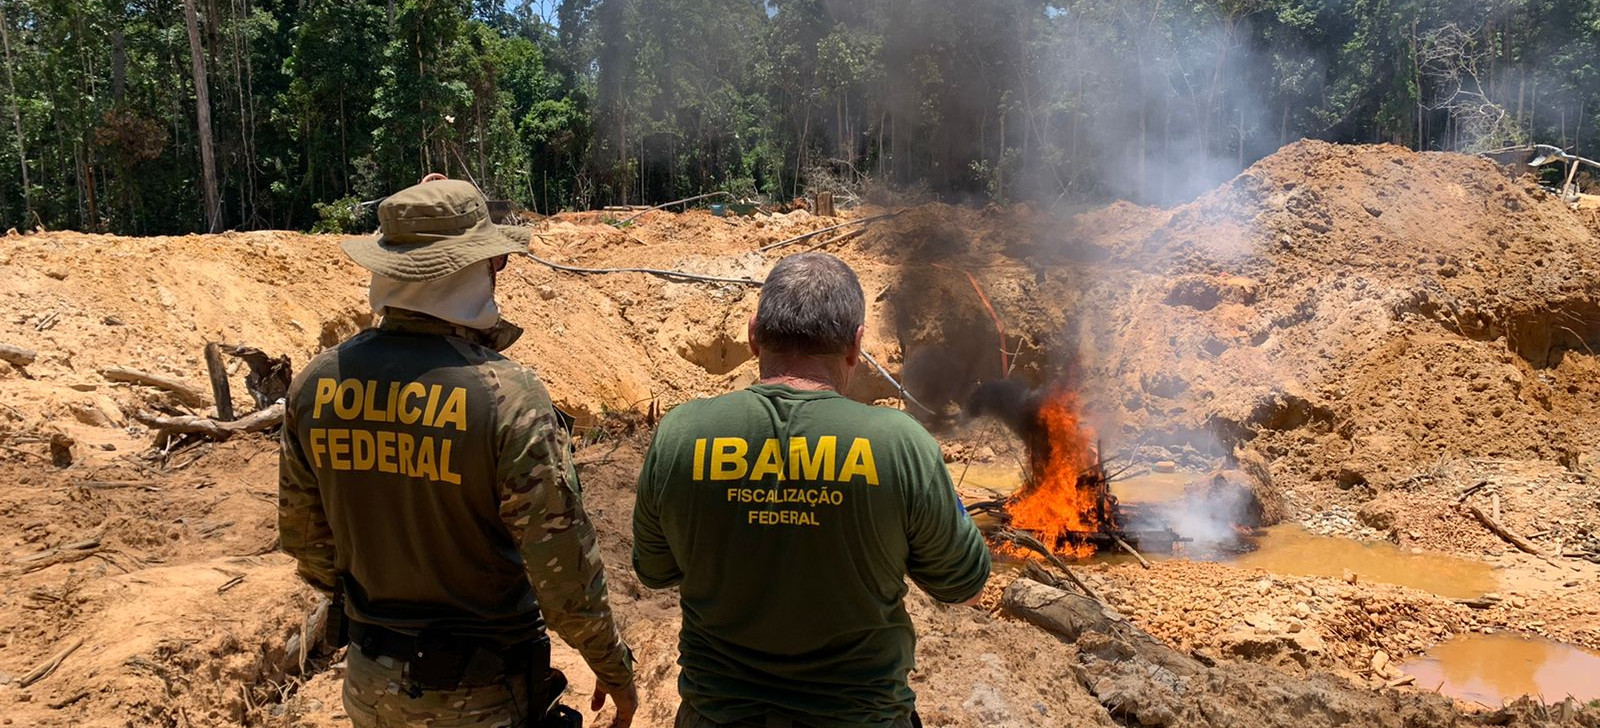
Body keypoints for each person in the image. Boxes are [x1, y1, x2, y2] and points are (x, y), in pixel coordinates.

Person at [279, 176, 639, 727]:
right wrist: (613, 668)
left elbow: (306, 542)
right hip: (481, 696)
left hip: (370, 684)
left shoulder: (316, 384)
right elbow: (563, 575)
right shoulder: (506, 396)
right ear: (473, 268)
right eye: (493, 263)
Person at [632, 252, 992, 728]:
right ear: (855, 345)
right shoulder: (899, 445)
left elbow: (655, 572)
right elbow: (965, 585)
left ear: (753, 334)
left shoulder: (680, 435)